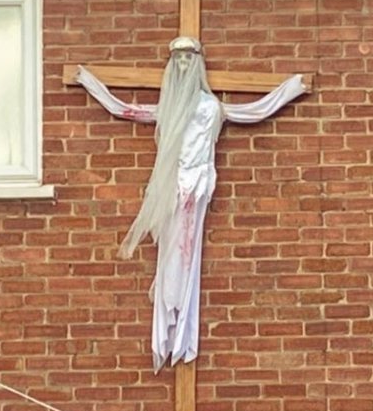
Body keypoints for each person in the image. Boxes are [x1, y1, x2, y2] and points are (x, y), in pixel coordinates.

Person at [78, 38, 307, 371]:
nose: (183, 65)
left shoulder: (210, 107)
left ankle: (180, 328)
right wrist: (89, 82)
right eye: (177, 59)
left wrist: (291, 89)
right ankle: (168, 325)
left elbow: (255, 111)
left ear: (198, 62)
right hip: (175, 186)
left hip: (196, 186)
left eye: (189, 58)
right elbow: (124, 108)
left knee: (186, 255)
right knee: (172, 255)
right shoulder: (169, 108)